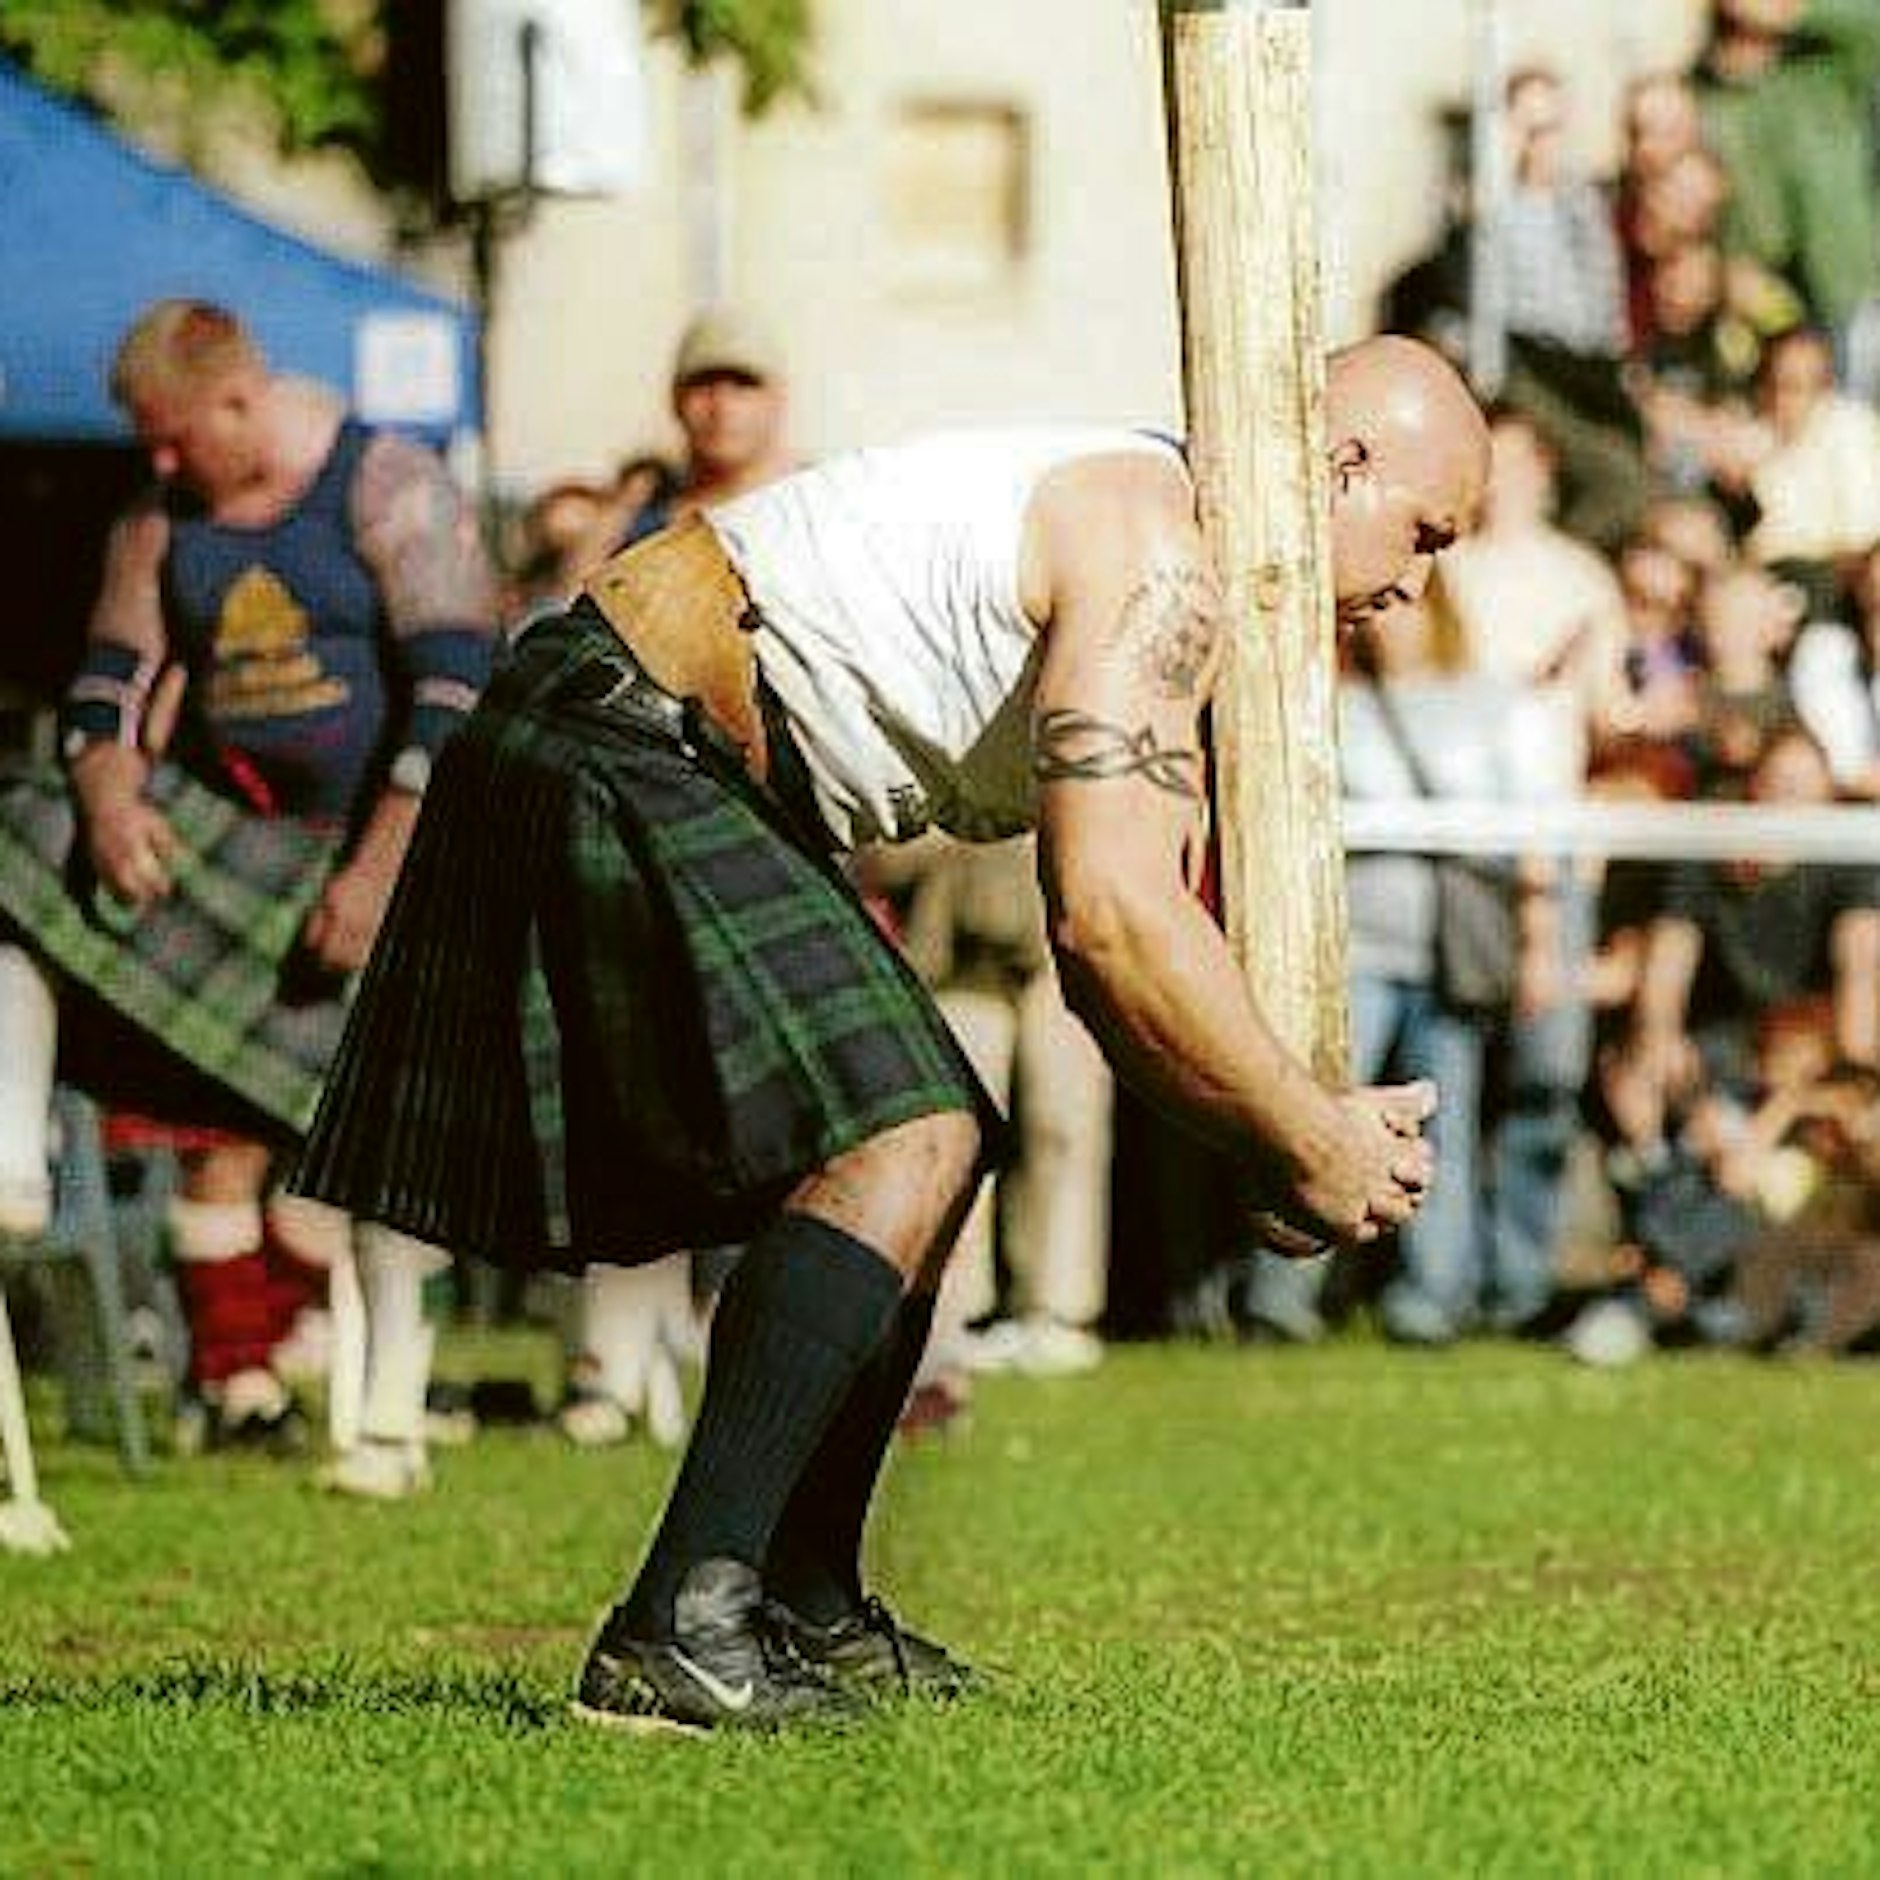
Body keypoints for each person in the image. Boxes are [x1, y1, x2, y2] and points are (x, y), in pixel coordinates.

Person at [297, 333, 1488, 1733]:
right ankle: (676, 1626)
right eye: (1423, 534)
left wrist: (1278, 1127)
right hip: (625, 724)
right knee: (903, 1129)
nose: (1417, 585)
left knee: (941, 1133)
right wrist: (1299, 1136)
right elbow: (1105, 920)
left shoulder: (1181, 572)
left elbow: (1147, 933)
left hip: (677, 746)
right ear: (1342, 464)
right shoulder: (1155, 545)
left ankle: (799, 1604)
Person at [0, 301, 497, 1489]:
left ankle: (388, 1417)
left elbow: (457, 694)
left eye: (173, 438)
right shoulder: (162, 520)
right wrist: (112, 795)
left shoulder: (388, 483)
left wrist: (378, 871)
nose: (158, 465)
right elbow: (107, 683)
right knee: (26, 825)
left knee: (385, 1139)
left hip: (393, 843)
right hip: (229, 847)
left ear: (237, 400)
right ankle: (16, 1162)